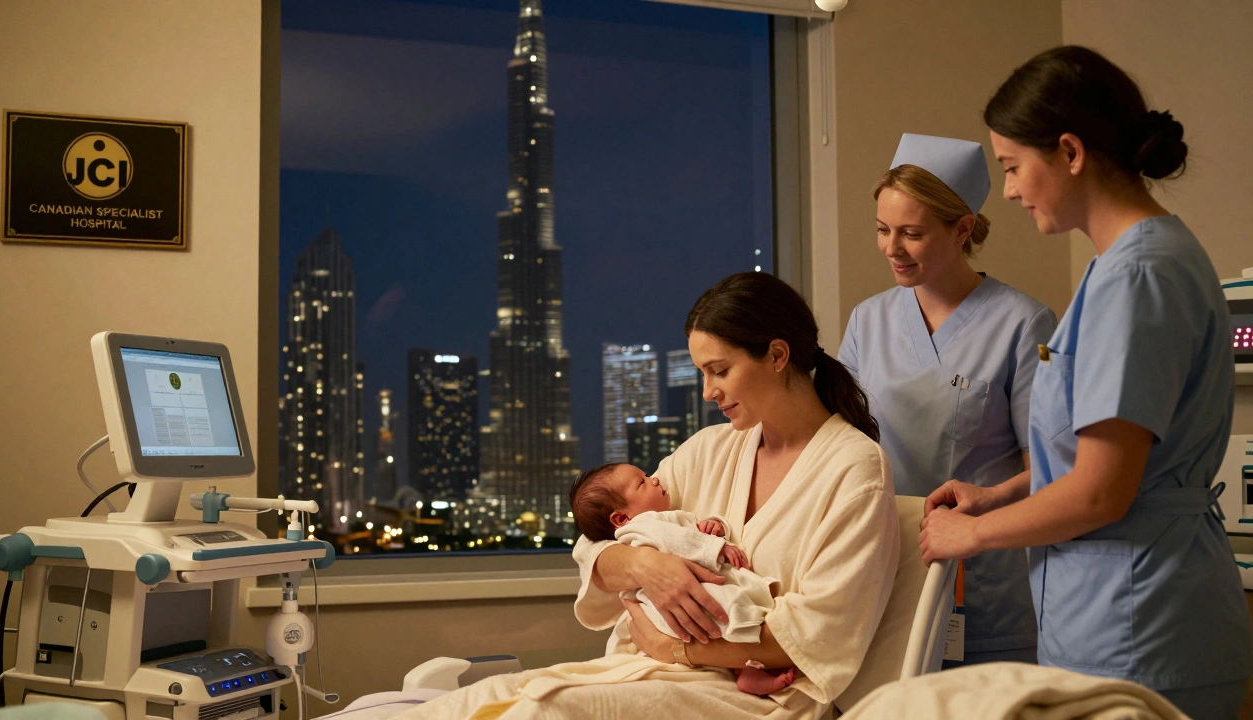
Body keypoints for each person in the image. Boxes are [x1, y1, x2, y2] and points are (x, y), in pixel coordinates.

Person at [919, 45, 1252, 719]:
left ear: (1069, 152)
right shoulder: (1134, 262)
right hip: (1123, 609)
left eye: (1013, 166)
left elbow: (1102, 489)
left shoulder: (1136, 277)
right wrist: (997, 495)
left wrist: (972, 537)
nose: (1009, 191)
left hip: (1140, 622)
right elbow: (1097, 456)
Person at [405, 272, 900, 719]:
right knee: (467, 703)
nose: (707, 392)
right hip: (654, 671)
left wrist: (677, 650)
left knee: (546, 710)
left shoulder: (854, 471)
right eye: (702, 373)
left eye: (719, 370)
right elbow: (599, 541)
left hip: (759, 700)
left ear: (776, 355)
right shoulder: (708, 450)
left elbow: (815, 636)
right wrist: (647, 566)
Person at [838, 133, 1057, 666]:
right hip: (887, 569)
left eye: (912, 233)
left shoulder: (1023, 323)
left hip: (985, 581)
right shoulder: (868, 321)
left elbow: (1051, 471)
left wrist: (988, 501)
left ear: (962, 230)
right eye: (883, 230)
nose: (892, 248)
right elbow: (839, 444)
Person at [569, 461, 795, 696]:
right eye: (642, 482)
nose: (655, 479)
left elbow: (689, 530)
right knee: (732, 608)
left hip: (673, 609)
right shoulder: (645, 525)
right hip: (669, 606)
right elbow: (681, 541)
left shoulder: (659, 521)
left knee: (720, 622)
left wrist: (714, 525)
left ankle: (746, 670)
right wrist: (716, 547)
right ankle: (750, 665)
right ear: (621, 518)